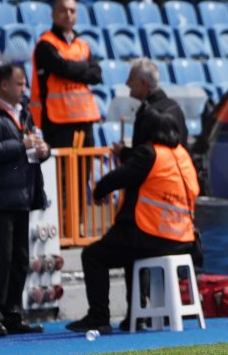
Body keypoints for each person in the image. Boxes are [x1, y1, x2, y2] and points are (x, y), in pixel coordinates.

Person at [67, 112, 201, 334]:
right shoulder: (182, 155)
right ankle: (136, 318)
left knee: (93, 255)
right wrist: (126, 153)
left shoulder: (149, 153)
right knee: (132, 254)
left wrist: (99, 190)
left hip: (153, 235)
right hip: (184, 239)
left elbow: (122, 175)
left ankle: (98, 317)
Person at [0, 64, 49, 338]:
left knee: (20, 260)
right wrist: (23, 145)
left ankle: (13, 314)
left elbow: (29, 144)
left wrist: (42, 149)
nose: (24, 89)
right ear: (4, 85)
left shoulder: (23, 111)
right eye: (20, 84)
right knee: (0, 259)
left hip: (20, 195)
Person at [29, 0, 102, 148]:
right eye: (63, 10)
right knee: (63, 170)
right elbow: (62, 68)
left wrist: (71, 67)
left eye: (72, 11)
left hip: (84, 118)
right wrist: (84, 65)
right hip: (57, 121)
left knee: (84, 170)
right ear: (53, 15)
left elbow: (96, 75)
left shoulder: (82, 44)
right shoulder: (45, 44)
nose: (68, 14)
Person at [113, 58, 186, 156]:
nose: (127, 83)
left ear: (143, 83)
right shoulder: (175, 106)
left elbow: (145, 159)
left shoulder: (150, 114)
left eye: (131, 79)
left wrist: (122, 152)